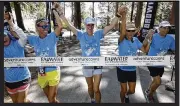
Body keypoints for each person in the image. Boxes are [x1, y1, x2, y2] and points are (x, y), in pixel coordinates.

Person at [57, 3, 125, 103]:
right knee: (90, 87)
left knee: (96, 89)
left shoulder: (98, 34)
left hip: (97, 65)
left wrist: (118, 14)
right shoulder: (81, 35)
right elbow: (68, 24)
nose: (90, 26)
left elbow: (111, 26)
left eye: (92, 25)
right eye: (88, 24)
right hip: (86, 66)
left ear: (94, 25)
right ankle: (92, 99)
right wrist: (60, 12)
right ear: (85, 25)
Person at [27, 3, 63, 103]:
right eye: (43, 26)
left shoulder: (52, 37)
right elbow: (19, 36)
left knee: (51, 99)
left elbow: (60, 26)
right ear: (37, 28)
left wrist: (54, 11)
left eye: (47, 25)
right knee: (51, 99)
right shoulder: (33, 39)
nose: (46, 27)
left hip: (53, 71)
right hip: (41, 72)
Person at [117, 7, 150, 103]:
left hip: (132, 69)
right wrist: (124, 16)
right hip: (122, 69)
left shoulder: (136, 40)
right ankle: (122, 101)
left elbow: (144, 50)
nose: (130, 32)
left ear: (134, 31)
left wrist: (148, 39)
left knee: (132, 90)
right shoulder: (121, 40)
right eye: (128, 30)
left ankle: (127, 94)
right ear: (125, 31)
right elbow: (122, 31)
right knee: (123, 90)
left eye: (132, 31)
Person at [143, 21, 175, 103]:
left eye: (168, 28)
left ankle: (148, 89)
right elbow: (144, 45)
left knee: (155, 80)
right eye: (164, 27)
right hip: (152, 61)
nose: (166, 29)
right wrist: (147, 36)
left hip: (161, 63)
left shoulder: (170, 38)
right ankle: (149, 95)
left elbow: (174, 49)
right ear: (159, 28)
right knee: (158, 82)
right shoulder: (153, 36)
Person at [4, 13, 31, 103]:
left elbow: (23, 36)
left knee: (20, 102)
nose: (3, 38)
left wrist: (11, 23)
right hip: (9, 81)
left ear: (9, 35)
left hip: (23, 78)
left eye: (4, 35)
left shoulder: (18, 44)